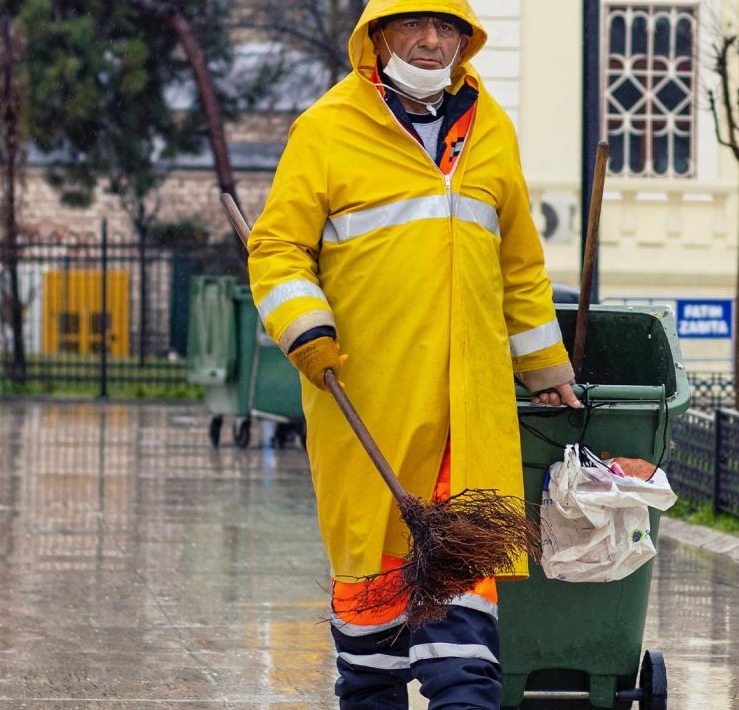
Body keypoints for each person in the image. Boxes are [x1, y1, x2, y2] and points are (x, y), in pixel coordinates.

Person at [246, 1, 581, 708]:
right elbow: (277, 250)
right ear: (377, 38)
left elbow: (518, 265)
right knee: (373, 601)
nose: (432, 42)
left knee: (464, 621)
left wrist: (545, 365)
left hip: (471, 406)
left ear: (465, 41)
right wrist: (308, 331)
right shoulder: (328, 129)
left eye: (448, 29)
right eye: (413, 26)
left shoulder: (490, 128)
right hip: (370, 400)